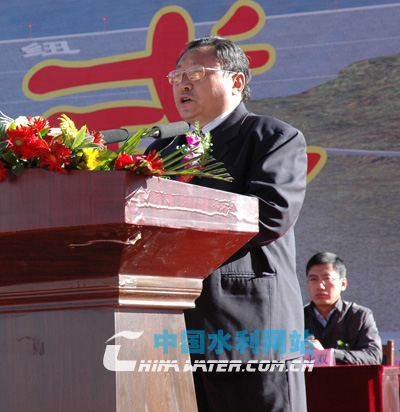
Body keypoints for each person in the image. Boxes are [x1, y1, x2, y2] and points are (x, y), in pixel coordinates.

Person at [145, 36, 308, 412]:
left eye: (196, 73)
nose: (183, 84)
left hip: (250, 329)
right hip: (175, 330)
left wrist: (178, 220)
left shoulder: (272, 138)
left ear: (237, 81)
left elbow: (270, 213)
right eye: (177, 76)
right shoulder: (162, 150)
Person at [304, 251, 382, 365]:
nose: (320, 286)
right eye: (313, 279)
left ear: (343, 284)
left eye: (327, 278)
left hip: (348, 376)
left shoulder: (360, 316)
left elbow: (373, 356)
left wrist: (329, 355)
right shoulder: (297, 317)